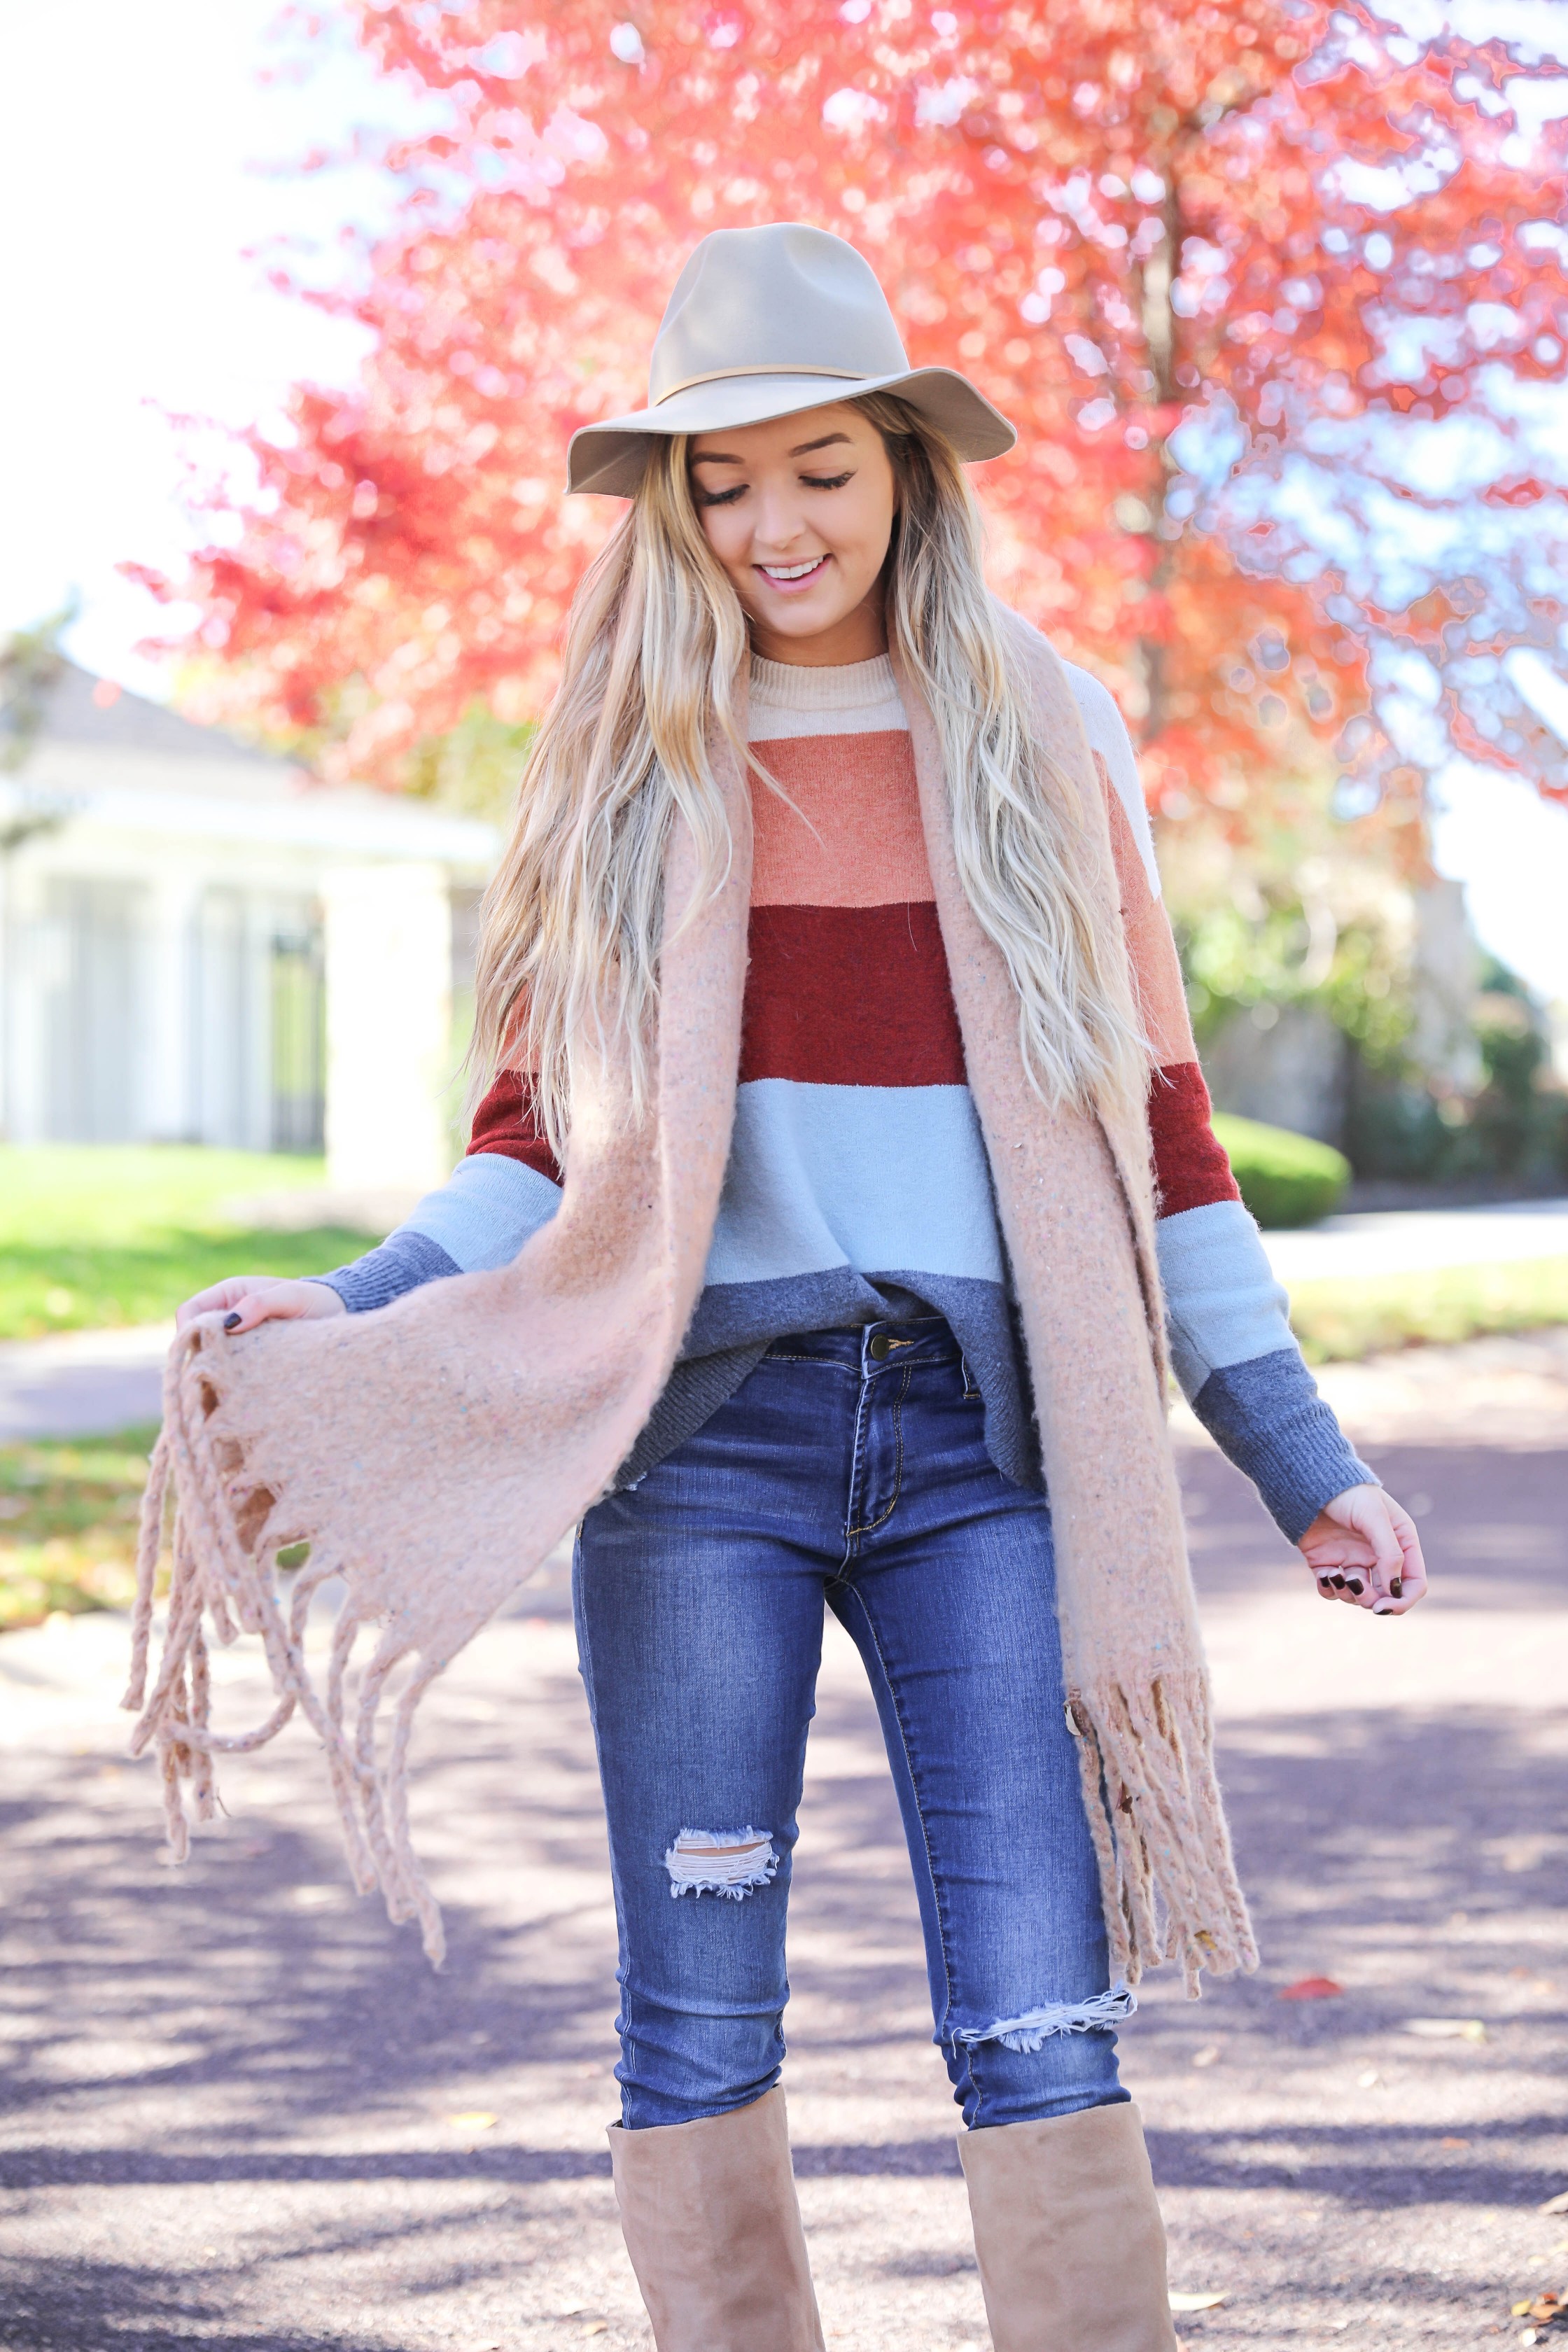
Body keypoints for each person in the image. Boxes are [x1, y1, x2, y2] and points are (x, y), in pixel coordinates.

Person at [178, 224, 1427, 2352]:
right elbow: (534, 1135)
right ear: (672, 501)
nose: (775, 522)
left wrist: (1302, 1459)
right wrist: (364, 1296)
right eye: (724, 480)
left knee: (1042, 2009)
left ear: (908, 468)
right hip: (698, 1460)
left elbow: (1164, 1137)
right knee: (697, 2013)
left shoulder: (1046, 726)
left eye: (821, 467)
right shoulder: (621, 751)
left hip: (985, 1453)